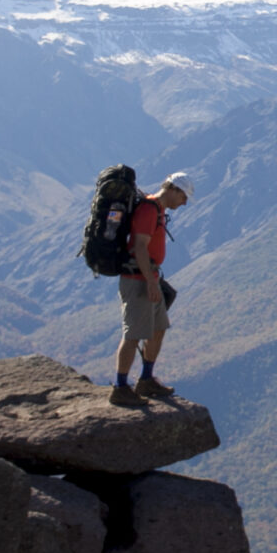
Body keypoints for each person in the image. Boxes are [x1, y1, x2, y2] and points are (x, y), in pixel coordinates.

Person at [111, 171, 193, 407]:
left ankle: (146, 379)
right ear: (173, 190)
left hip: (149, 278)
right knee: (133, 333)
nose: (184, 202)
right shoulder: (149, 210)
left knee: (158, 328)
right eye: (184, 196)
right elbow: (139, 247)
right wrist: (149, 281)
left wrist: (153, 280)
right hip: (138, 279)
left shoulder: (158, 210)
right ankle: (120, 387)